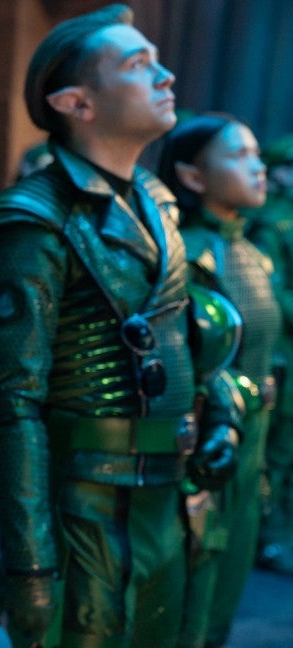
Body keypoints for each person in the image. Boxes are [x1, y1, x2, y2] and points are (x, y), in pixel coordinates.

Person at [0, 5, 242, 647]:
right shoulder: (31, 220)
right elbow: (14, 404)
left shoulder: (157, 201)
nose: (166, 76)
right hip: (85, 503)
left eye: (158, 61)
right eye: (139, 65)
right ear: (76, 103)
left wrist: (222, 414)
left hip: (167, 489)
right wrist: (29, 561)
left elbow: (188, 337)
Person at [159, 114, 280, 648]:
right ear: (192, 175)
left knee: (225, 596)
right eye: (238, 154)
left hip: (254, 443)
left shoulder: (255, 255)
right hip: (205, 443)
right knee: (190, 597)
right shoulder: (182, 255)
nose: (258, 167)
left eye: (256, 154)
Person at [246, 133, 293, 577]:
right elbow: (271, 291)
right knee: (274, 451)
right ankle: (269, 534)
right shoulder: (273, 222)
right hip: (280, 352)